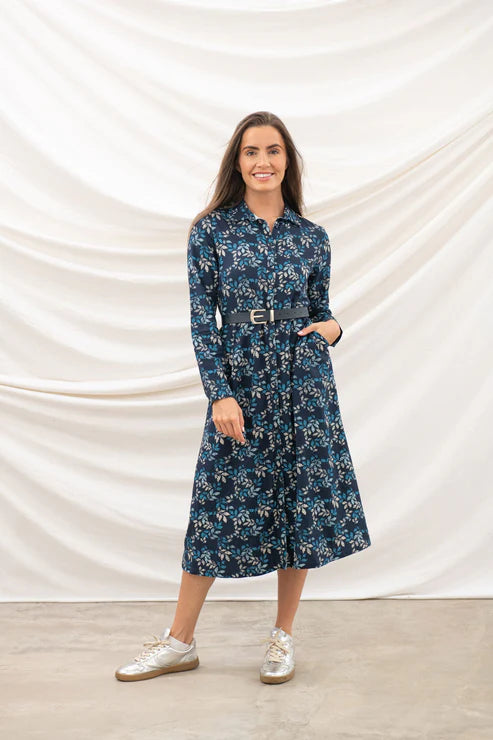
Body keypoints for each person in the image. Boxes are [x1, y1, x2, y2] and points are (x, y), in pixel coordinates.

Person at [115, 111, 371, 685]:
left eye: (273, 151)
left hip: (304, 385)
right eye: (252, 151)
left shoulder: (312, 237)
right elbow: (201, 323)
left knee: (300, 508)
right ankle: (179, 641)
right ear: (238, 161)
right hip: (243, 386)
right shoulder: (211, 232)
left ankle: (282, 637)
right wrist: (220, 395)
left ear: (287, 161)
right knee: (214, 509)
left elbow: (321, 308)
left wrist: (332, 329)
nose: (263, 162)